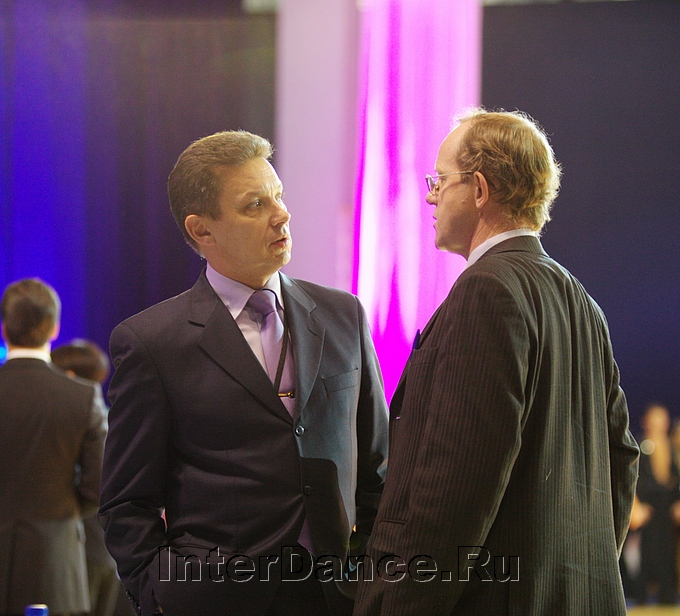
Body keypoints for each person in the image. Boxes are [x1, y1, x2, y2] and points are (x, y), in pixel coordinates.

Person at [353, 108, 639, 616]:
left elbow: (456, 484)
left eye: (441, 180)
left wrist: (401, 603)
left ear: (480, 189)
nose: (430, 196)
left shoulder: (486, 290)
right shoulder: (583, 303)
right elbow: (621, 459)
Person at [98, 130, 389, 616]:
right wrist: (163, 594)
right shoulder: (152, 342)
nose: (281, 214)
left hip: (338, 596)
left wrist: (374, 573)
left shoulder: (344, 315)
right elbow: (126, 503)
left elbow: (378, 468)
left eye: (278, 195)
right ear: (202, 230)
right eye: (255, 204)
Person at [0, 279, 107, 616]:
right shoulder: (83, 396)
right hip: (55, 562)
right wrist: (62, 511)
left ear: (4, 328)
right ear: (54, 329)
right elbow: (99, 487)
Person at [52, 340, 133, 616]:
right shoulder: (114, 422)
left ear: (69, 377)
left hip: (83, 549)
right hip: (111, 551)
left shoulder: (83, 429)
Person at [634, 403, 680, 604]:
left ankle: (667, 593)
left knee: (668, 550)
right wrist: (637, 504)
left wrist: (677, 501)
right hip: (648, 506)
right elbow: (635, 477)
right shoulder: (641, 445)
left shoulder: (672, 447)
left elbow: (675, 477)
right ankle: (642, 593)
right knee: (647, 549)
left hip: (667, 507)